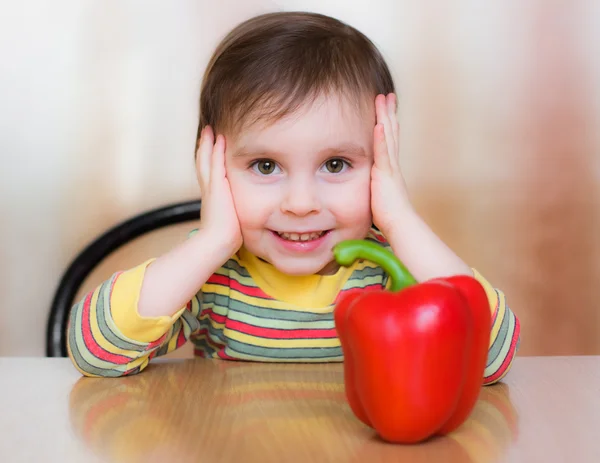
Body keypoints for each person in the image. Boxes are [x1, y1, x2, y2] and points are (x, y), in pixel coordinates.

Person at [67, 11, 520, 381]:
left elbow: (492, 358)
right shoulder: (211, 279)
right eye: (265, 166)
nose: (300, 203)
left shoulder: (391, 273)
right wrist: (210, 242)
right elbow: (94, 352)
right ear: (213, 167)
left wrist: (400, 221)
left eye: (336, 164)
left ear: (382, 165)